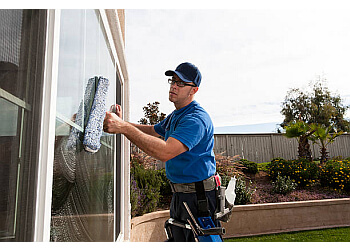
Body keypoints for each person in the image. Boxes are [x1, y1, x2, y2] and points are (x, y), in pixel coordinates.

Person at [103, 62, 218, 241]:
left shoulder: (195, 119)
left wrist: (123, 127)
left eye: (181, 83)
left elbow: (166, 152)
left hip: (199, 198)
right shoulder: (176, 115)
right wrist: (121, 122)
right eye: (173, 81)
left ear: (194, 90)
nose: (174, 86)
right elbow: (151, 130)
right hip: (181, 195)